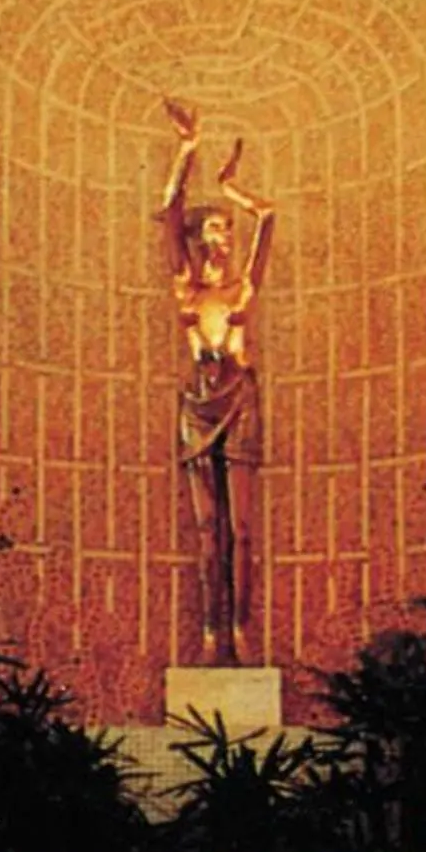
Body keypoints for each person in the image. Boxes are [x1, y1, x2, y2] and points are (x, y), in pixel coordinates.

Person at [159, 96, 273, 664]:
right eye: (214, 227)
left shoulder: (243, 290)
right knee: (207, 531)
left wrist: (233, 187)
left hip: (242, 400)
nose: (222, 236)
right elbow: (167, 213)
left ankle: (243, 632)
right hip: (197, 407)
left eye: (227, 227)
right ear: (202, 238)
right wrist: (187, 150)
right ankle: (210, 635)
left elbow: (269, 216)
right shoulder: (187, 287)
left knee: (243, 529)